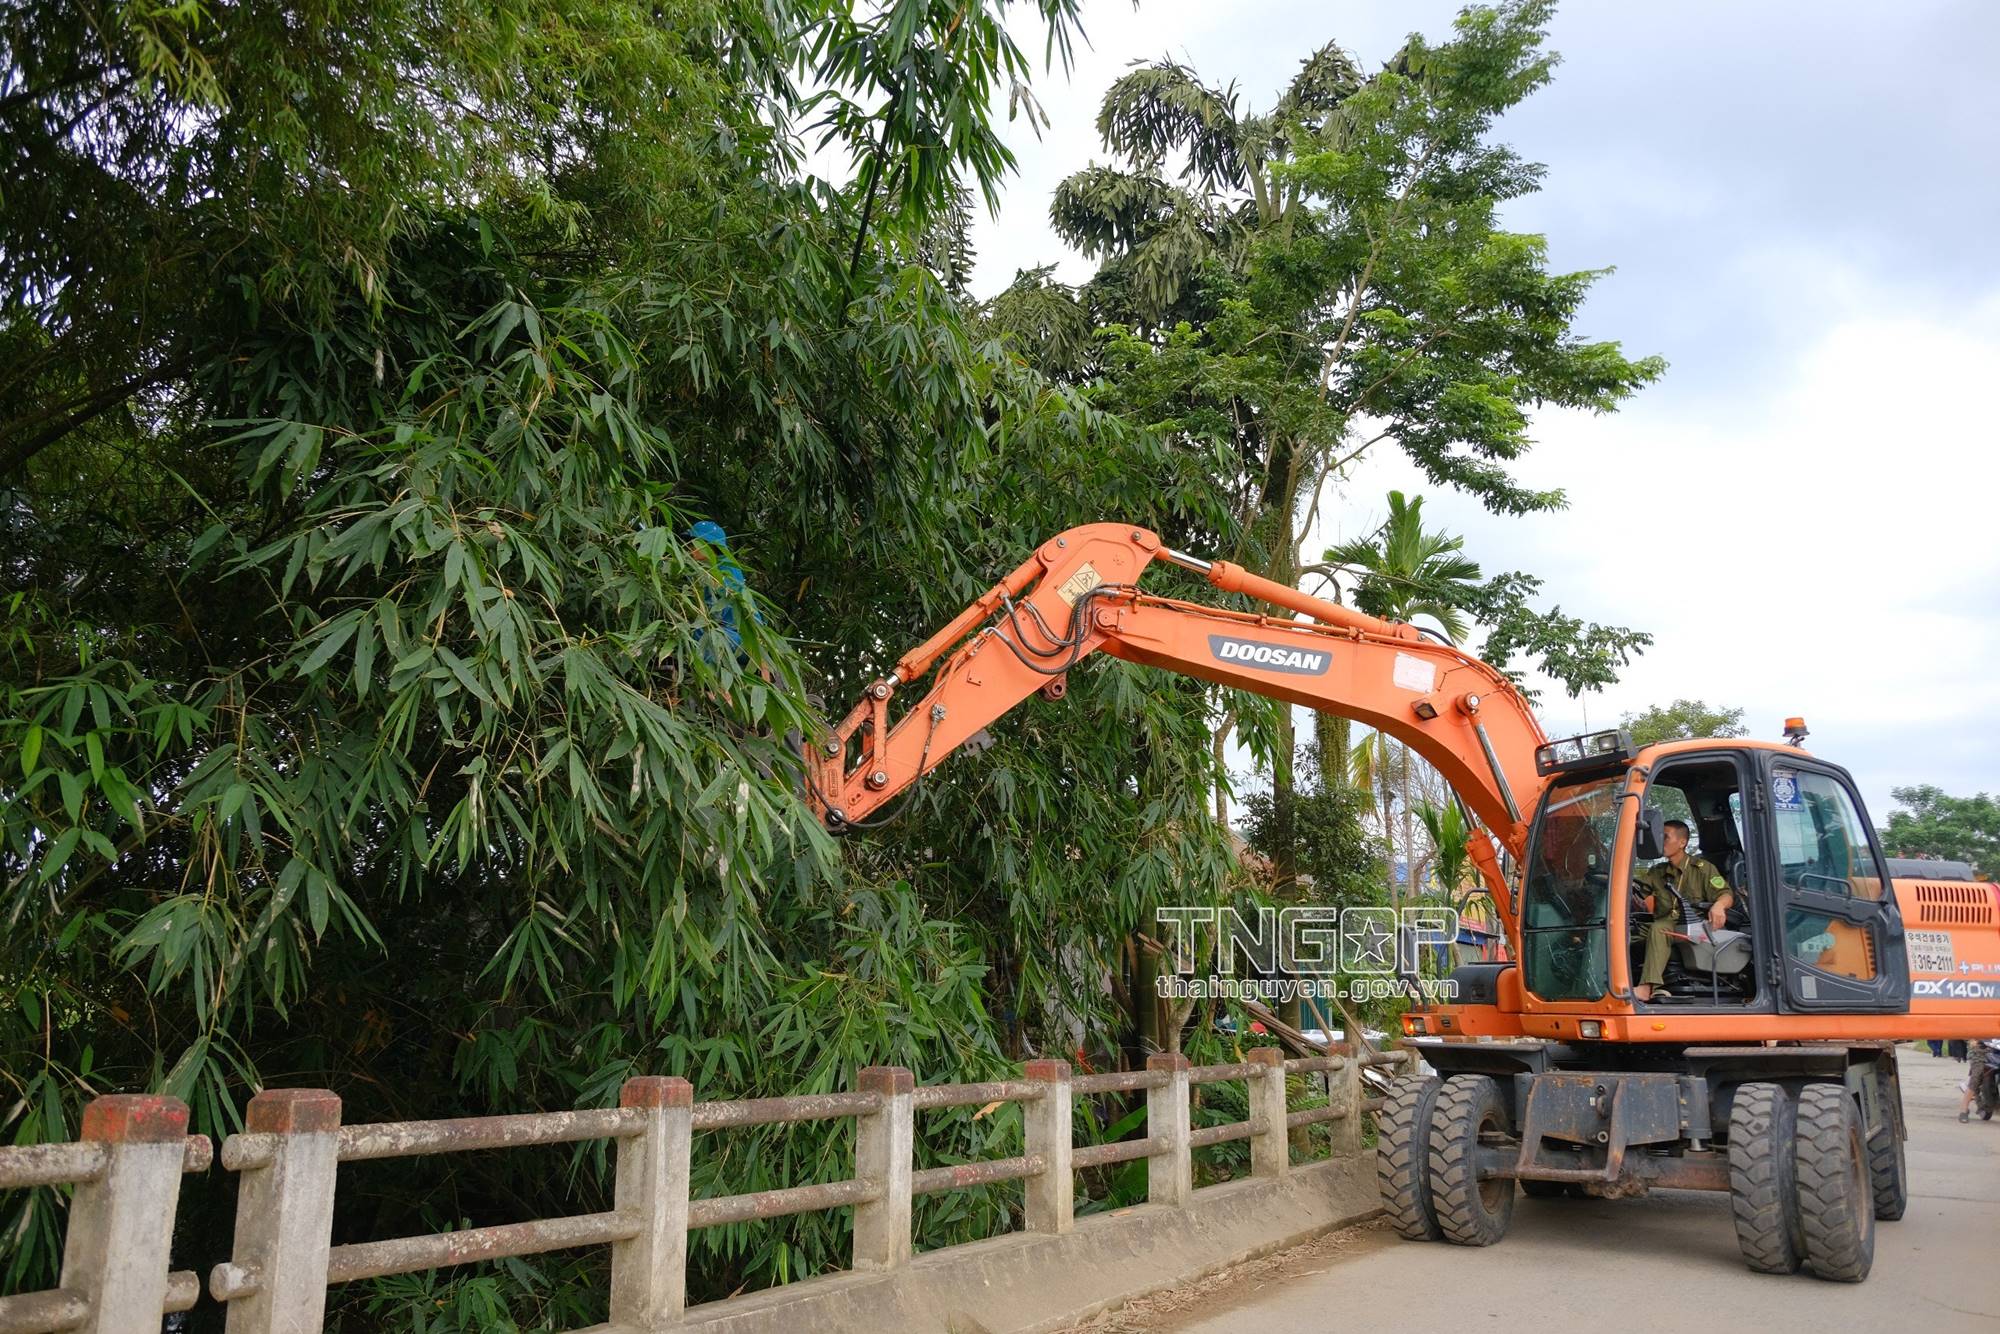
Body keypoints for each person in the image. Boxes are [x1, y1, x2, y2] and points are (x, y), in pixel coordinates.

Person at [1633, 819, 1735, 1003]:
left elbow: (1726, 894)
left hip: (1692, 927)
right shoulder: (1657, 871)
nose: (1660, 841)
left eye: (1665, 837)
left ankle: (1647, 987)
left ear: (1682, 842)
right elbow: (1637, 891)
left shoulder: (1702, 869)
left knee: (1659, 928)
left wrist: (1719, 905)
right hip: (1665, 925)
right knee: (1623, 932)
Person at [1959, 1038, 1999, 1123]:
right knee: (1977, 1074)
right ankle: (1964, 1109)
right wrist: (1973, 1041)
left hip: (1997, 1050)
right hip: (1980, 1049)